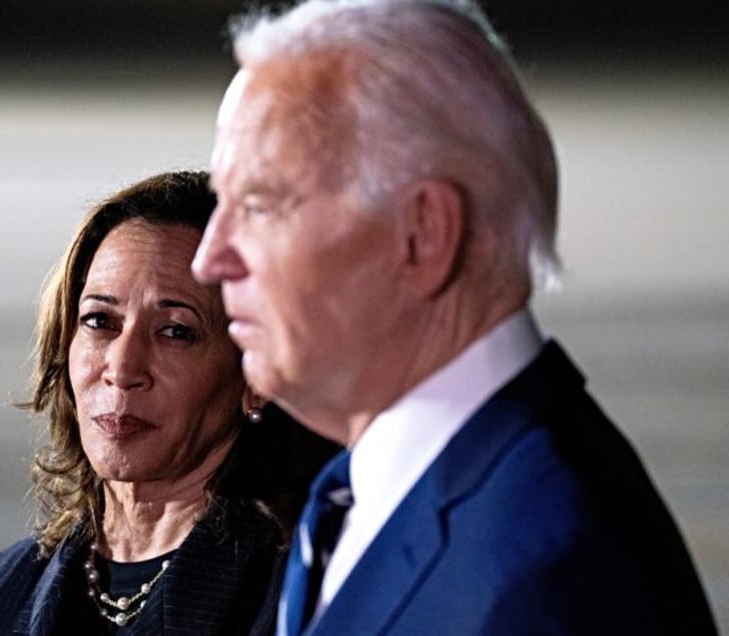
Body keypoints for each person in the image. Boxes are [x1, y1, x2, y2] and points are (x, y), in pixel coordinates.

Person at [191, 1, 718, 634]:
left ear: (424, 234)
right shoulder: (370, 483)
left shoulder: (542, 586)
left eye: (260, 205)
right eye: (222, 203)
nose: (209, 259)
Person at [0, 171, 337, 635]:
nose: (123, 367)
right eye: (99, 321)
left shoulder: (303, 593)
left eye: (176, 331)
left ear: (256, 373)